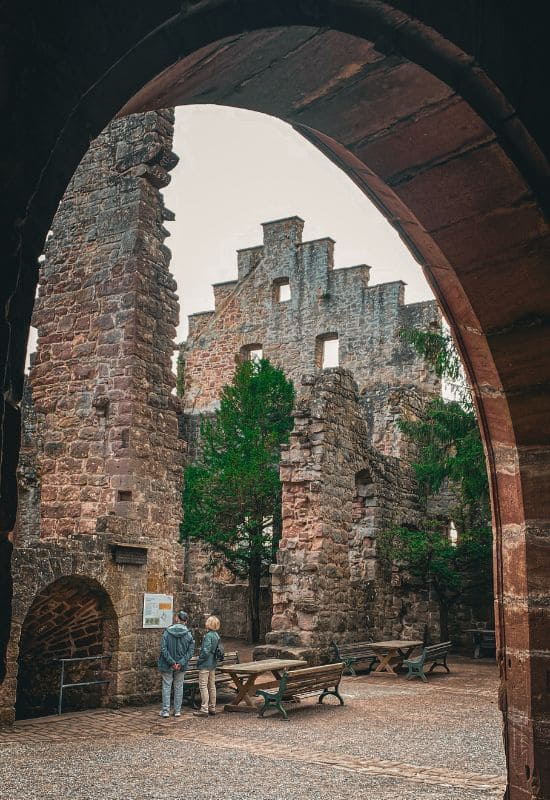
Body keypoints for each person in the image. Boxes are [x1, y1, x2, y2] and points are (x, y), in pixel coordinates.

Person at [158, 610, 195, 718]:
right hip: (181, 665)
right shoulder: (188, 635)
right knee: (179, 686)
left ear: (176, 619)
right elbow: (190, 651)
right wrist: (180, 663)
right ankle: (177, 710)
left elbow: (163, 649)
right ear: (186, 621)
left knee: (166, 686)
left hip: (167, 664)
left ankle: (165, 711)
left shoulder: (167, 632)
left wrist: (172, 662)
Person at [193, 615, 221, 718]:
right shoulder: (216, 635)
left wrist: (200, 660)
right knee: (212, 686)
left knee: (203, 685)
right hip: (213, 663)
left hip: (205, 664)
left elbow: (205, 651)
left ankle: (204, 708)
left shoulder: (208, 636)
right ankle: (212, 707)